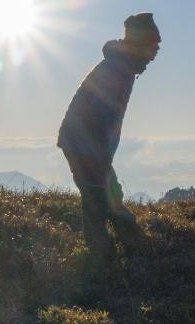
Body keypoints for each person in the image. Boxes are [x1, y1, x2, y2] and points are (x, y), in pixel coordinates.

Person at [57, 13, 160, 260]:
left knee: (100, 196)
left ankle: (114, 254)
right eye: (153, 44)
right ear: (140, 43)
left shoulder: (122, 64)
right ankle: (125, 254)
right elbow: (101, 115)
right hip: (84, 142)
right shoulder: (119, 69)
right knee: (101, 197)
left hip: (81, 140)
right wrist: (101, 157)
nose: (156, 51)